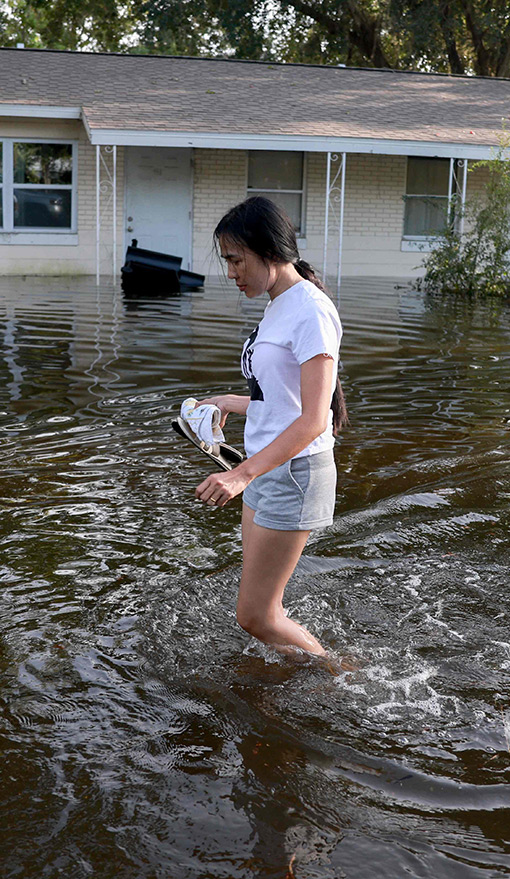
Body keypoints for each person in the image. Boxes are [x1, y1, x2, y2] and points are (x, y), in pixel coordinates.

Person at [195, 197, 347, 658]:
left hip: (293, 473)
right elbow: (282, 401)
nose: (231, 272)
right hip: (266, 471)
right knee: (260, 610)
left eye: (236, 259)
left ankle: (339, 673)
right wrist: (229, 402)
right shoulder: (279, 304)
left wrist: (239, 474)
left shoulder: (310, 311)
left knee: (256, 616)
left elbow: (313, 420)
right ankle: (288, 668)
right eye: (228, 261)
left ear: (269, 251)